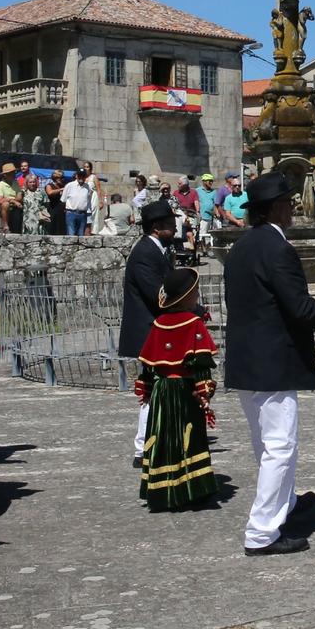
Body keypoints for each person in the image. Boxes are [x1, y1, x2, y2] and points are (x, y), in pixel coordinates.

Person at [222, 170, 315, 555]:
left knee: (266, 445)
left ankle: (286, 506)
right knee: (280, 446)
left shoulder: (241, 247)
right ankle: (262, 532)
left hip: (247, 360)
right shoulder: (278, 249)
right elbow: (299, 308)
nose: (293, 207)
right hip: (272, 361)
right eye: (288, 202)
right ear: (277, 209)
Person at [134, 266, 220, 512]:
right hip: (184, 391)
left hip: (162, 391)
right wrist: (204, 394)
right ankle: (191, 490)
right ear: (189, 298)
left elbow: (148, 365)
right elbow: (201, 364)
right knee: (189, 437)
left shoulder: (158, 324)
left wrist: (147, 389)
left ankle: (161, 491)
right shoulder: (194, 324)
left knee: (162, 437)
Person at [118, 199, 178, 467]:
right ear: (156, 227)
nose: (175, 227)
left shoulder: (157, 250)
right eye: (170, 224)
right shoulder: (144, 253)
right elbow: (159, 294)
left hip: (157, 333)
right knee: (153, 391)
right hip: (148, 333)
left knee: (158, 390)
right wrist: (192, 307)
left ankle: (153, 440)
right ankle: (142, 447)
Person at [61, 169, 96, 237]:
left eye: (83, 176)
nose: (81, 177)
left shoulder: (88, 187)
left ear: (85, 177)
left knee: (81, 235)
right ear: (76, 176)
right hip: (71, 213)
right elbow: (63, 200)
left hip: (82, 214)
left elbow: (88, 201)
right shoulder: (69, 186)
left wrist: (89, 213)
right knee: (71, 234)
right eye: (79, 175)